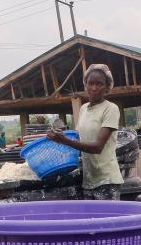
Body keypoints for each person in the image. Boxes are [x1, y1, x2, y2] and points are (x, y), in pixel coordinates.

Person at [47, 64, 123, 200]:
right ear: (85, 85)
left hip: (107, 180)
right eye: (90, 83)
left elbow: (98, 147)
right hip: (88, 180)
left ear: (107, 87)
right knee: (91, 221)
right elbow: (80, 138)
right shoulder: (83, 109)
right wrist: (60, 136)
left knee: (106, 221)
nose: (94, 88)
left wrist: (64, 140)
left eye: (99, 84)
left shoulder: (110, 109)